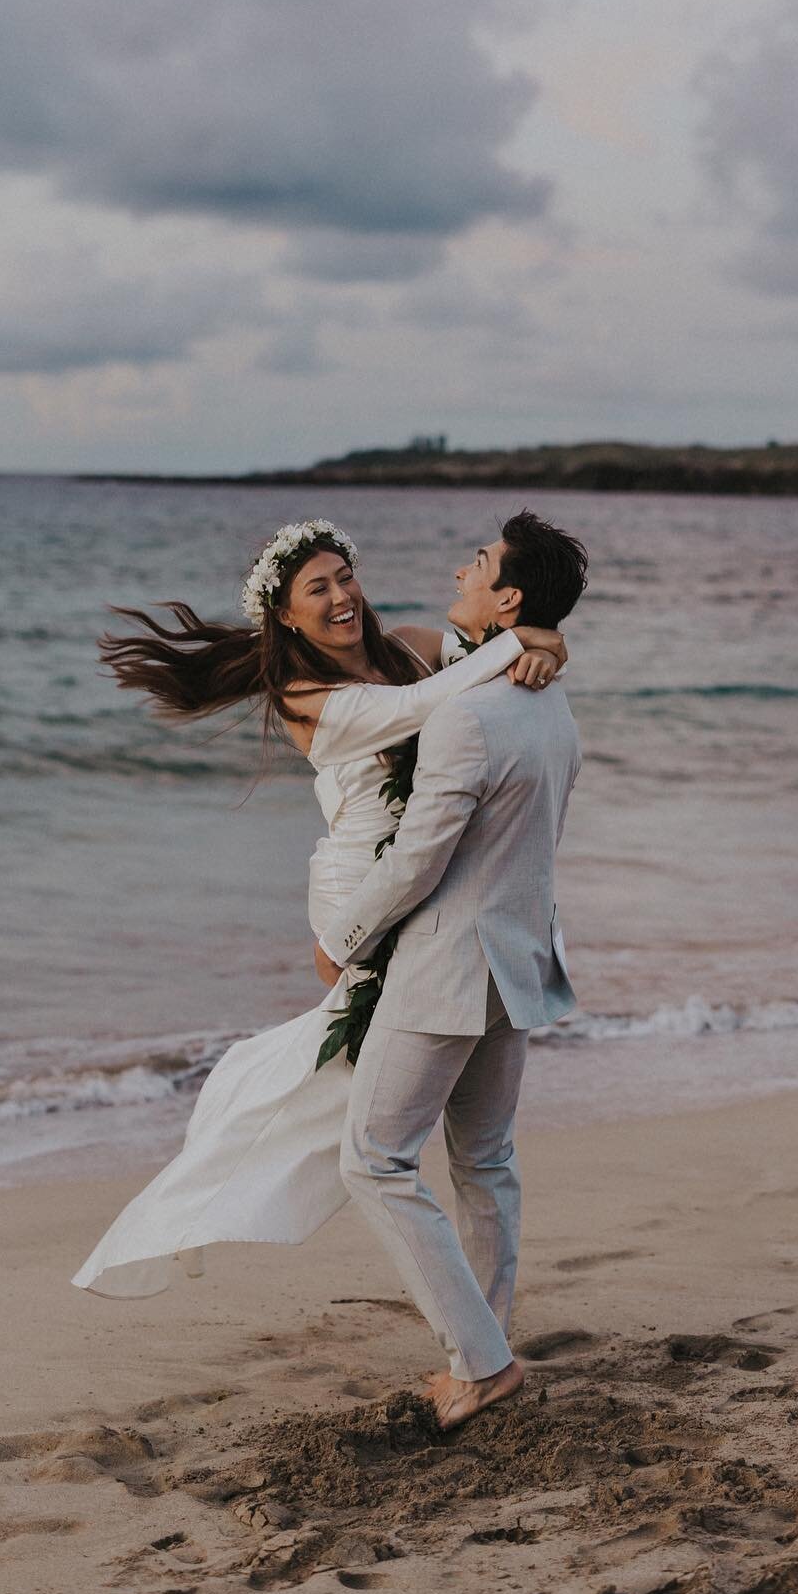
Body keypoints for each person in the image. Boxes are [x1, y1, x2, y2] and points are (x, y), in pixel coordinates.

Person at [70, 515, 571, 1310]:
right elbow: (431, 702)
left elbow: (480, 660)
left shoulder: (407, 642)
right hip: (358, 897)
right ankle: (210, 1198)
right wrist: (529, 643)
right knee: (342, 1098)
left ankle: (474, 1311)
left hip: (421, 886)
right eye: (318, 589)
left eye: (345, 577)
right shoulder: (304, 693)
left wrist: (540, 643)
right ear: (287, 615)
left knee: (382, 1107)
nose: (341, 597)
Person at [315, 511, 586, 1427]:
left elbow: (419, 860)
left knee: (375, 1161)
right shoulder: (548, 701)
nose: (460, 567)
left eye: (477, 561)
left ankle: (483, 1361)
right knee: (485, 1160)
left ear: (506, 595)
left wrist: (345, 937)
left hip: (447, 969)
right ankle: (488, 1346)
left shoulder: (467, 716)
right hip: (520, 959)